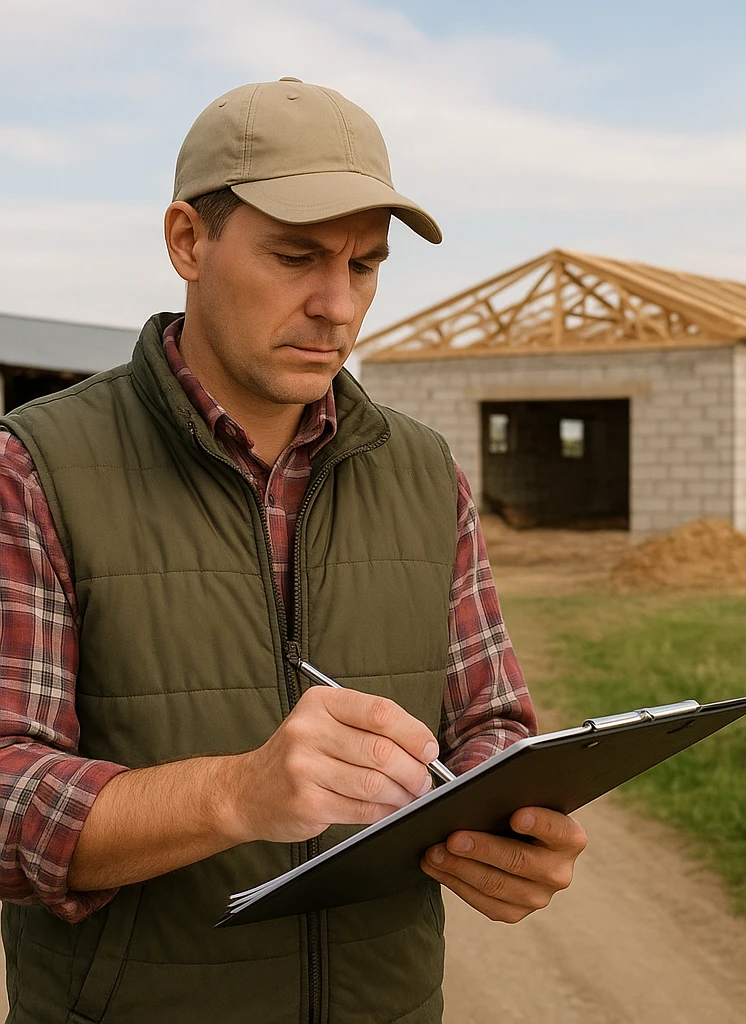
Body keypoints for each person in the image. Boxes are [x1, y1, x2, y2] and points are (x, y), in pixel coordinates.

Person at [0, 78, 587, 1024]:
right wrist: (236, 794)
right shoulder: (36, 467)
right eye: (296, 256)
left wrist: (505, 820)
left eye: (365, 265)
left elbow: (490, 720)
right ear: (187, 241)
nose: (337, 306)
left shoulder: (425, 469)